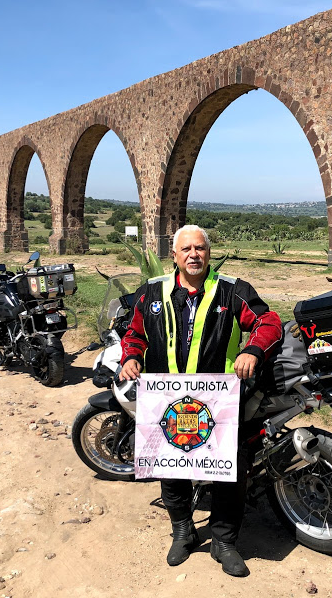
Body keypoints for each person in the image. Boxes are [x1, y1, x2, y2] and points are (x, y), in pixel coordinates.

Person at [119, 225, 282, 577]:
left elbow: (268, 321)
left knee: (229, 473)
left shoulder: (233, 290)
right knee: (171, 469)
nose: (194, 255)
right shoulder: (152, 292)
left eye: (200, 248)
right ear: (174, 256)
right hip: (167, 402)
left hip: (218, 403)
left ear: (209, 253)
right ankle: (183, 531)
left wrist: (253, 348)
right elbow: (134, 332)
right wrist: (130, 357)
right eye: (186, 249)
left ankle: (224, 542)